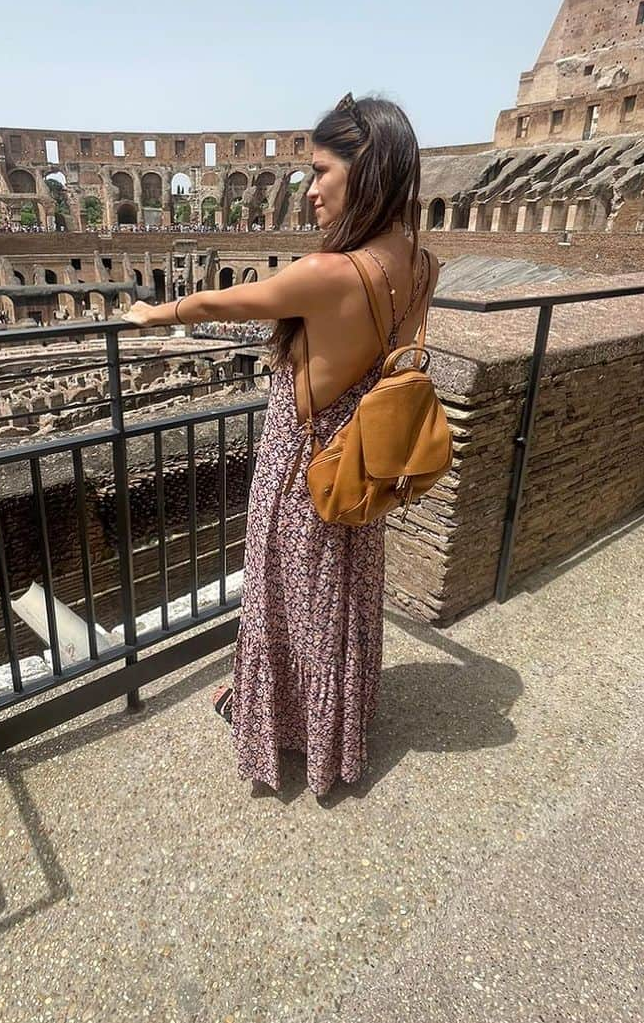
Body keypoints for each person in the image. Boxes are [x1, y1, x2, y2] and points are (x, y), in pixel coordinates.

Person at [122, 94, 441, 798]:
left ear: (371, 171)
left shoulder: (329, 275)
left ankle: (273, 724)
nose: (311, 188)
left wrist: (155, 311)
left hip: (303, 462)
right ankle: (336, 737)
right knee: (341, 599)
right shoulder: (423, 264)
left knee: (282, 597)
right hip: (363, 460)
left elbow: (218, 303)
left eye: (323, 170)